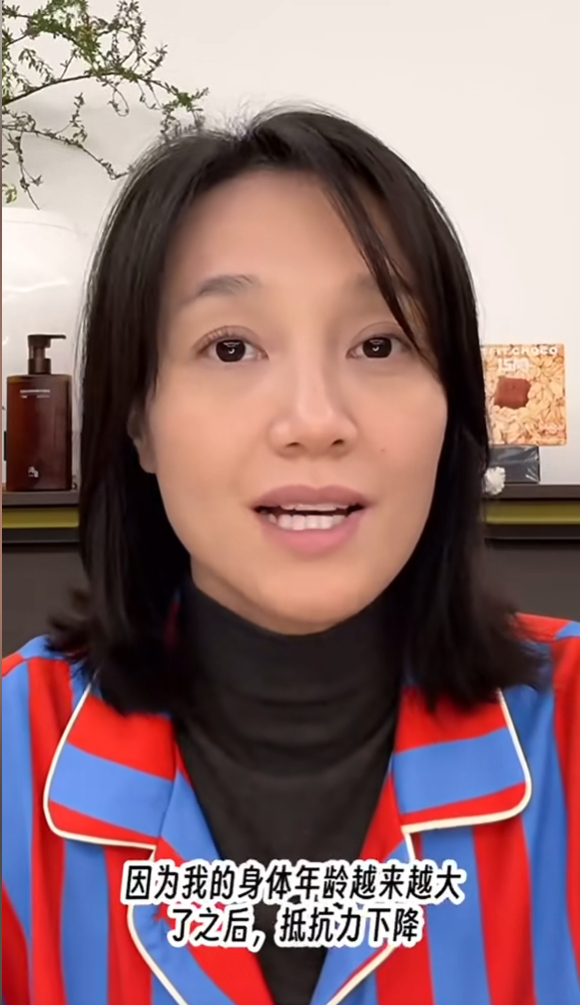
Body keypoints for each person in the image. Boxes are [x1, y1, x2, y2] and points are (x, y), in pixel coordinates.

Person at [2, 106, 579, 1005]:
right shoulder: (14, 750)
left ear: (453, 407)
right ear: (139, 418)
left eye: (379, 343)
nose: (315, 421)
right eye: (231, 347)